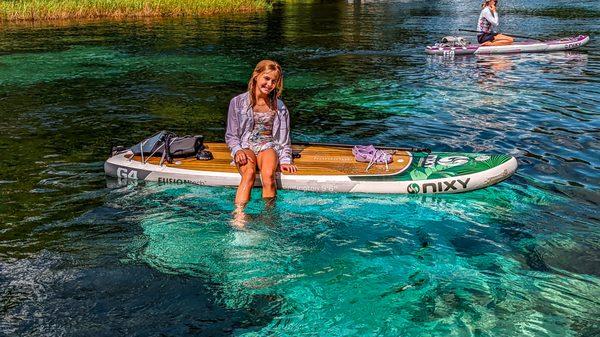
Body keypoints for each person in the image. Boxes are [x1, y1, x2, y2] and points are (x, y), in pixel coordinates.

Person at [225, 60, 298, 208]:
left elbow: (284, 139)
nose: (269, 84)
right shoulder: (237, 102)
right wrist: (237, 150)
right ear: (256, 75)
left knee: (269, 176)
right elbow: (231, 135)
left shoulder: (280, 107)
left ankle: (269, 218)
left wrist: (285, 160)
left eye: (274, 81)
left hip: (268, 146)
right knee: (249, 173)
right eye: (266, 78)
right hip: (246, 146)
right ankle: (239, 215)